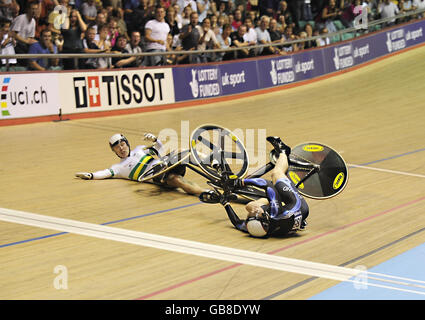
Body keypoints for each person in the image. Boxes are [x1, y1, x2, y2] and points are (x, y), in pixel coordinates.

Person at [200, 136, 309, 238]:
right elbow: (267, 184)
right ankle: (284, 151)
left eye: (253, 215)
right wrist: (241, 182)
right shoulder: (275, 214)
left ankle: (274, 197)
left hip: (285, 220)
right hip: (298, 206)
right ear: (266, 218)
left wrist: (225, 203)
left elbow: (237, 223)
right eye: (258, 213)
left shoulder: (257, 227)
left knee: (249, 206)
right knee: (276, 174)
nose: (255, 211)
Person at [75, 133, 205, 196]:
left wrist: (155, 140)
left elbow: (161, 151)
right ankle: (206, 193)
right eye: (117, 147)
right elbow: (104, 173)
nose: (121, 148)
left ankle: (214, 166)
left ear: (127, 143)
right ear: (113, 151)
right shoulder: (118, 168)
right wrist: (91, 175)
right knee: (177, 180)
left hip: (163, 164)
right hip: (156, 176)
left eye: (122, 144)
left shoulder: (140, 149)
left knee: (182, 151)